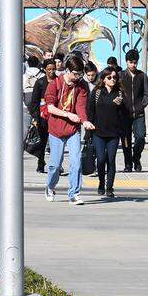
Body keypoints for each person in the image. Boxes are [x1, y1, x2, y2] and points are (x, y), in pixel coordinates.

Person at [43, 53, 94, 205]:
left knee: (76, 162)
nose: (79, 77)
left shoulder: (82, 85)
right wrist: (68, 115)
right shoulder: (55, 84)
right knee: (55, 165)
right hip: (56, 129)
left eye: (80, 74)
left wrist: (84, 121)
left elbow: (80, 106)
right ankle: (50, 186)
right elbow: (50, 108)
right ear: (67, 71)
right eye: (76, 74)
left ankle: (74, 193)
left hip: (73, 131)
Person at [87, 67, 127, 198]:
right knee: (100, 159)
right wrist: (89, 128)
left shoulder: (120, 93)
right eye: (109, 77)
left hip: (114, 133)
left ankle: (109, 187)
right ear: (103, 79)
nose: (113, 80)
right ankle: (101, 182)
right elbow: (90, 110)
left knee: (111, 159)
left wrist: (120, 105)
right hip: (98, 132)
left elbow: (124, 115)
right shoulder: (97, 92)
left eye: (115, 77)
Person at [119, 49, 148, 172]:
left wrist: (141, 106)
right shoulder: (121, 75)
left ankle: (136, 158)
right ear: (126, 62)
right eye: (131, 62)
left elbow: (146, 95)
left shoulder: (142, 76)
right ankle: (128, 163)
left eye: (135, 62)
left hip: (139, 114)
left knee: (140, 138)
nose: (133, 65)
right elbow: (117, 92)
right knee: (126, 140)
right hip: (124, 114)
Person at [29, 58, 57, 173]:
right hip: (43, 117)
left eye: (53, 69)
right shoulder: (40, 82)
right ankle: (41, 162)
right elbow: (34, 102)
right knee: (42, 142)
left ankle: (56, 165)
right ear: (44, 69)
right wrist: (36, 117)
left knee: (56, 144)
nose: (51, 71)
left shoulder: (59, 81)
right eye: (49, 69)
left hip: (56, 117)